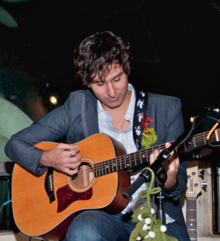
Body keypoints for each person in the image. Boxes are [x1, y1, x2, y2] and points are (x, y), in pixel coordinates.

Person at [5, 31, 190, 241]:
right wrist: (47, 158)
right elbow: (14, 144)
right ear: (86, 81)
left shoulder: (166, 109)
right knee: (84, 231)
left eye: (117, 78)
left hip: (156, 215)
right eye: (99, 84)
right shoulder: (78, 107)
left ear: (127, 69)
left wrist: (170, 180)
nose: (112, 91)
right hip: (101, 216)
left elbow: (178, 184)